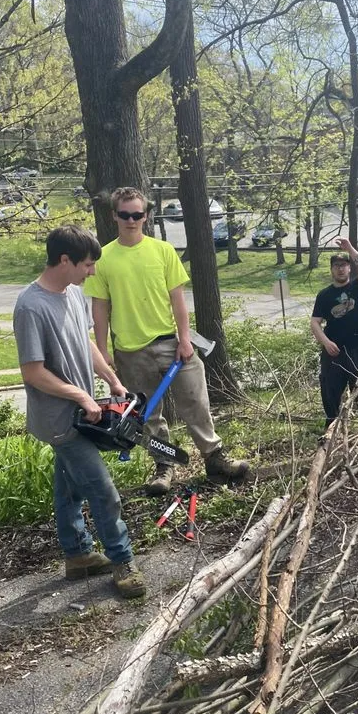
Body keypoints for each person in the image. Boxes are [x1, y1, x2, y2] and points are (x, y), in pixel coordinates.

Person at [85, 186, 249, 496]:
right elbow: (100, 308)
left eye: (137, 214)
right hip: (130, 351)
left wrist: (185, 339)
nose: (131, 220)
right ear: (114, 216)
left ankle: (215, 458)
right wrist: (103, 350)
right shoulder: (104, 258)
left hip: (171, 344)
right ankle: (164, 465)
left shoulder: (162, 251)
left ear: (146, 216)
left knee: (195, 400)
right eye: (124, 215)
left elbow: (178, 300)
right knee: (148, 414)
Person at [13, 225, 146, 599]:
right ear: (64, 260)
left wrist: (112, 379)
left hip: (82, 412)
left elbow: (84, 342)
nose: (92, 271)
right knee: (103, 491)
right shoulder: (30, 307)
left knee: (69, 487)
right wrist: (80, 397)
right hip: (60, 419)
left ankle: (77, 555)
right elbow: (33, 372)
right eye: (87, 264)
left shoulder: (72, 293)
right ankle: (123, 561)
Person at [311, 238, 358, 428]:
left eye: (344, 265)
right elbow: (315, 322)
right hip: (334, 352)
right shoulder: (324, 295)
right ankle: (331, 430)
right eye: (336, 266)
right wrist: (325, 342)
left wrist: (350, 249)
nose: (340, 269)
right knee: (330, 393)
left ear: (349, 268)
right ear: (332, 269)